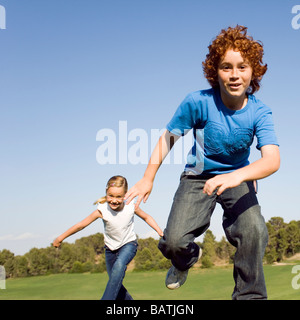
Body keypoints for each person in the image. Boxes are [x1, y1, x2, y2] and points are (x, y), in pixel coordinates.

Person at [125, 25, 280, 300]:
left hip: (237, 178)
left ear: (253, 70)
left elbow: (272, 159)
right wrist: (148, 177)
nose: (234, 75)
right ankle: (184, 261)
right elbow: (168, 138)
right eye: (226, 67)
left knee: (254, 230)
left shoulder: (260, 111)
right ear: (214, 71)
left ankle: (250, 296)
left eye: (242, 67)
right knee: (173, 243)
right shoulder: (197, 102)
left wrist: (238, 176)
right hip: (197, 176)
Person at [53, 175, 163, 300]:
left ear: (125, 195)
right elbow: (80, 225)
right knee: (115, 283)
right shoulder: (102, 210)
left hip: (128, 245)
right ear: (106, 194)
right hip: (110, 250)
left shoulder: (130, 206)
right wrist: (60, 238)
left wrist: (160, 232)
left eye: (118, 197)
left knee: (119, 266)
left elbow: (146, 217)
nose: (114, 200)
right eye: (111, 196)